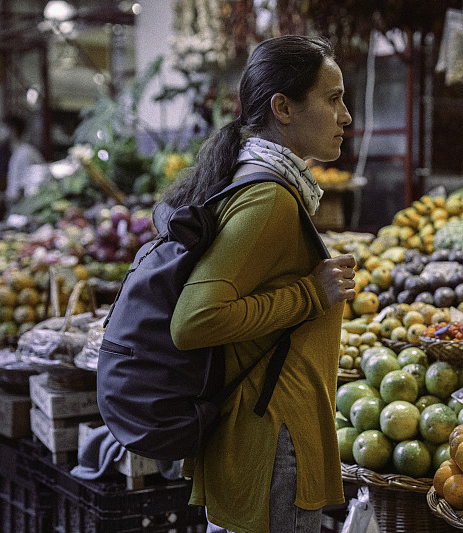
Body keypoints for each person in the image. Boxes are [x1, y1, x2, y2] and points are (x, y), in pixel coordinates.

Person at [156, 35, 355, 533]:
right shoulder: (269, 199)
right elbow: (195, 319)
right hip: (269, 440)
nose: (346, 116)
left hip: (261, 432)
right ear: (282, 107)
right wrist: (312, 293)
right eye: (333, 99)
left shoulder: (265, 183)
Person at [0, 113, 46, 209]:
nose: (0, 132)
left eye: (3, 128)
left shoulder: (24, 154)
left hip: (25, 213)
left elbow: (22, 194)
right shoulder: (18, 153)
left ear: (13, 130)